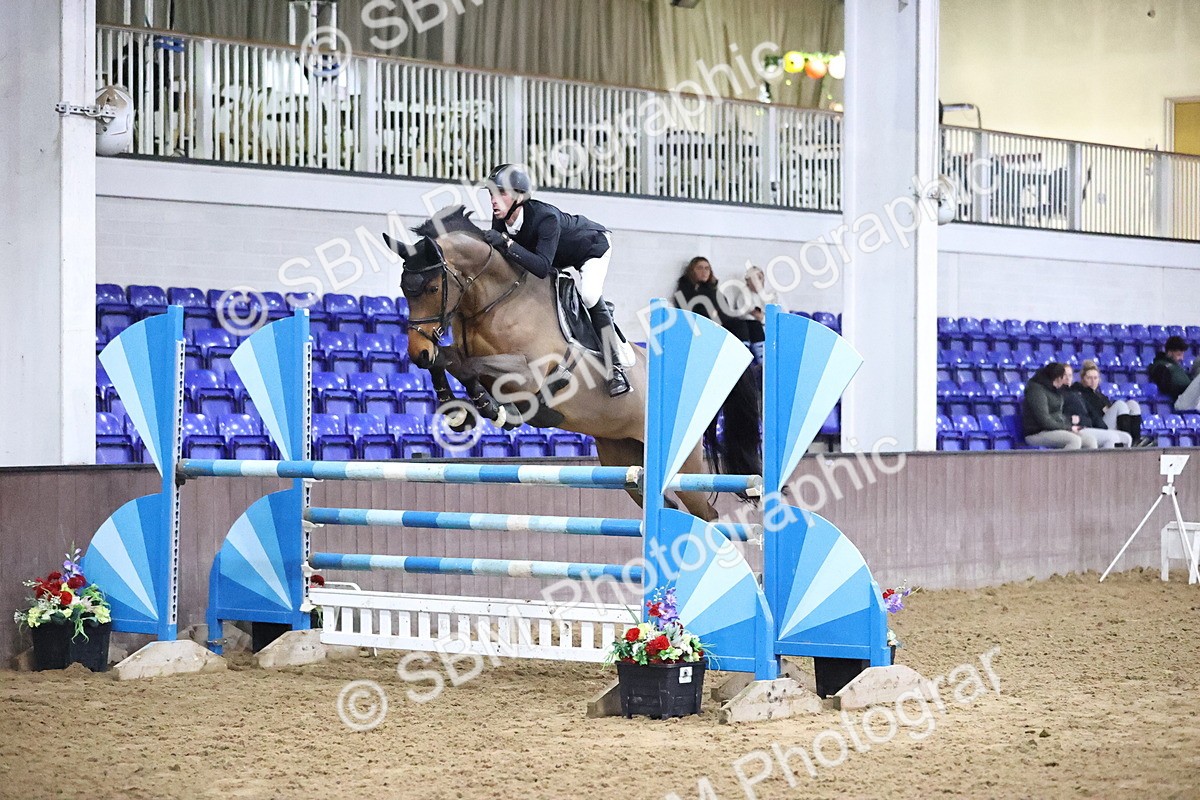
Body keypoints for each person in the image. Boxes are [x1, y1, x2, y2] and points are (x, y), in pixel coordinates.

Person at [482, 164, 629, 397]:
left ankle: (616, 368)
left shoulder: (545, 217)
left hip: (592, 247)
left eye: (501, 193)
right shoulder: (502, 218)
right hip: (557, 259)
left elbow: (541, 267)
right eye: (490, 193)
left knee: (590, 295)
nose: (493, 200)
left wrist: (507, 244)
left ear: (520, 196)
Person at [1071, 360, 1150, 446]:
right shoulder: (1080, 392)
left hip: (1108, 421)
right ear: (1083, 379)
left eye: (1095, 378)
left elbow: (1108, 408)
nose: (1093, 381)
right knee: (1120, 404)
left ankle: (1135, 439)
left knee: (1132, 404)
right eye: (1089, 378)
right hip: (1098, 425)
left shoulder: (1100, 395)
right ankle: (1125, 440)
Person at [1021, 363, 1098, 450]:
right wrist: (1069, 428)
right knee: (1074, 440)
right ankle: (1065, 463)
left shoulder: (1055, 390)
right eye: (1061, 378)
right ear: (1056, 378)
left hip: (1055, 429)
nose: (1061, 382)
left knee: (1090, 440)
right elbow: (1044, 421)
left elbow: (1058, 415)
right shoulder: (1036, 391)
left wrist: (1068, 425)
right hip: (1037, 433)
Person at [674, 257, 751, 340]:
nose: (704, 271)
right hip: (700, 325)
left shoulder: (714, 291)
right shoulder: (684, 291)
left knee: (750, 325)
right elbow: (686, 313)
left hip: (720, 323)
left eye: (707, 268)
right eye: (700, 268)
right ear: (692, 271)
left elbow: (726, 312)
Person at [1061, 363, 1131, 448]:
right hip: (1084, 426)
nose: (1068, 378)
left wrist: (1082, 419)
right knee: (1120, 406)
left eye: (1070, 375)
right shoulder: (1078, 392)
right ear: (1083, 379)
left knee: (1127, 437)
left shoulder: (1097, 395)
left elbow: (1089, 415)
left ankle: (1133, 442)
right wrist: (1075, 420)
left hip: (1095, 424)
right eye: (1089, 378)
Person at [1149, 335, 1200, 412]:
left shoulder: (1177, 367)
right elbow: (1167, 386)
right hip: (1181, 400)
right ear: (1169, 353)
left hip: (1190, 396)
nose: (1182, 358)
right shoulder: (1160, 366)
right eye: (1179, 355)